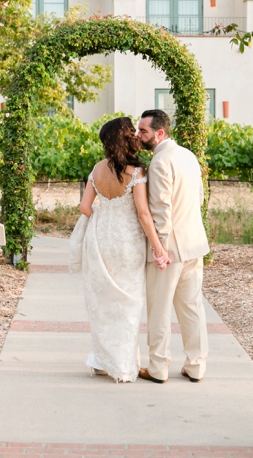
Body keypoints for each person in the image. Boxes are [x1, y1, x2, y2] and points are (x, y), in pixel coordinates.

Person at [69, 116, 169, 383]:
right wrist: (159, 248)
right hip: (127, 242)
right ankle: (124, 365)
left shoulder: (97, 169)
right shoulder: (136, 172)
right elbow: (143, 214)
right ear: (126, 138)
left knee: (103, 302)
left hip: (100, 239)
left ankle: (102, 361)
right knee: (128, 301)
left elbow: (84, 208)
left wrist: (103, 219)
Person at [135, 109, 210, 384]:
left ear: (160, 133)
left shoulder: (159, 162)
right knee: (192, 308)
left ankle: (157, 368)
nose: (138, 135)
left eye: (143, 131)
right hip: (194, 244)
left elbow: (160, 212)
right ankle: (196, 366)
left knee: (159, 309)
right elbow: (200, 197)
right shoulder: (188, 156)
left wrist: (159, 250)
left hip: (170, 250)